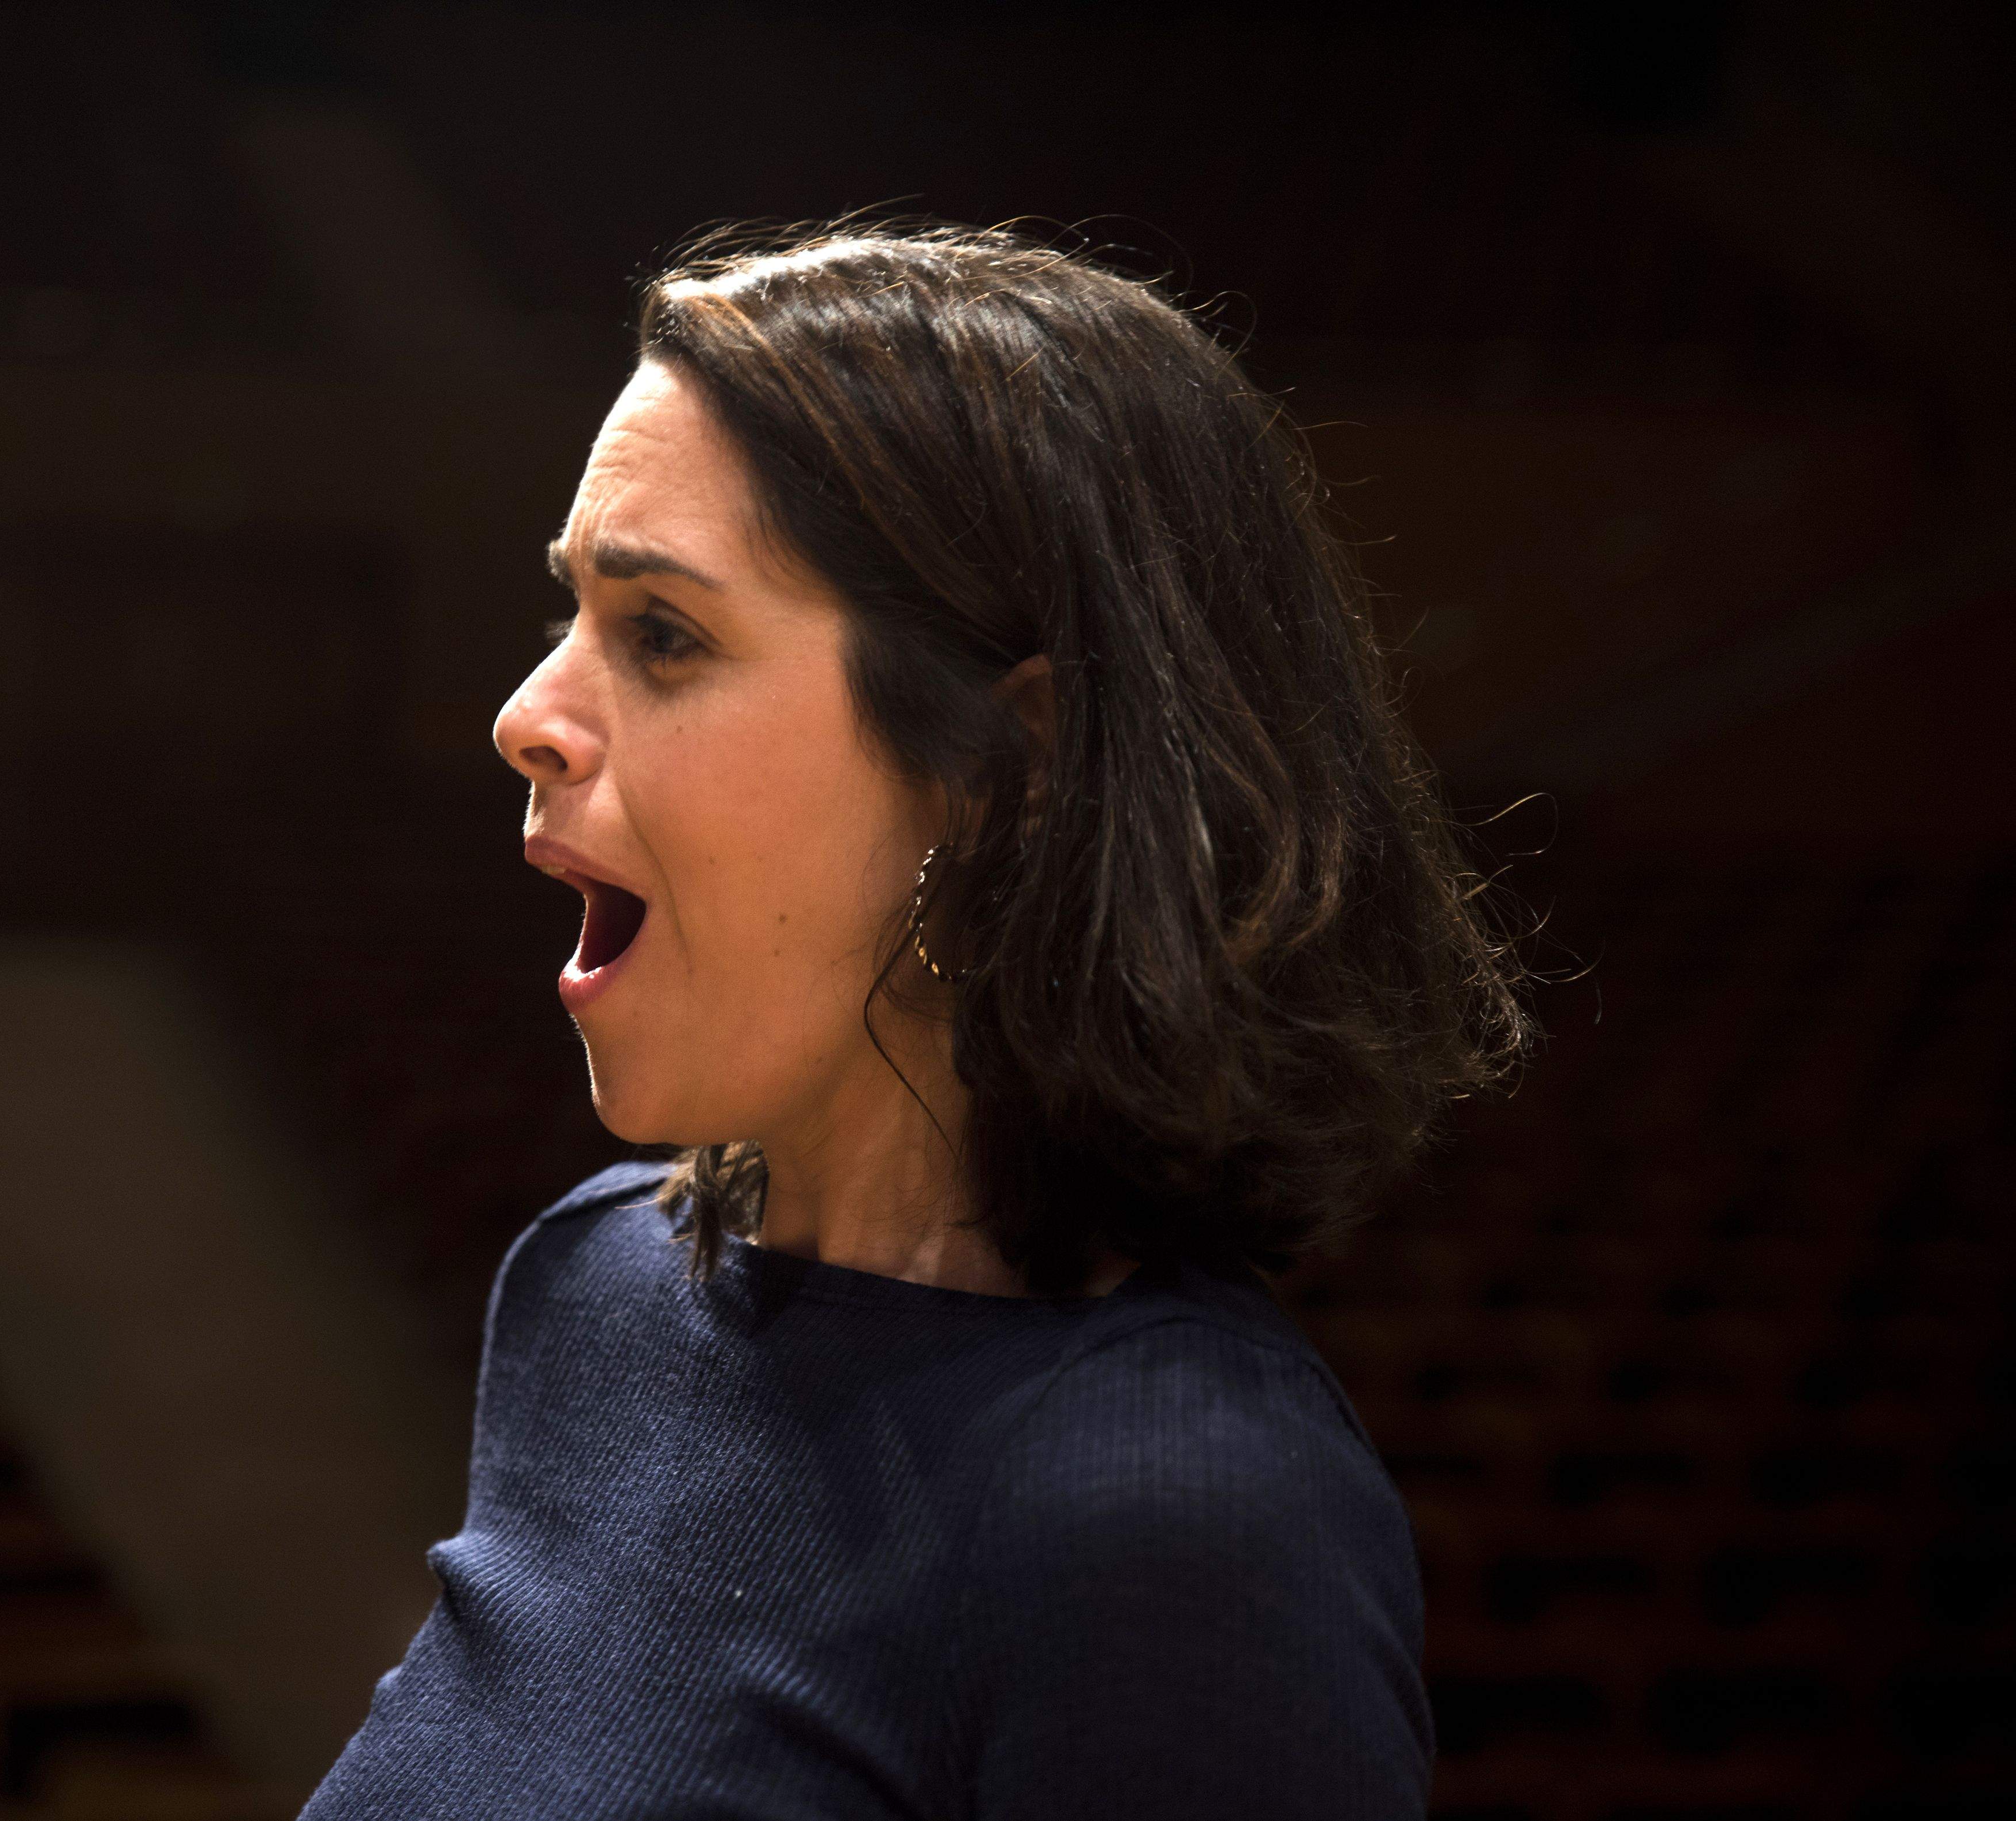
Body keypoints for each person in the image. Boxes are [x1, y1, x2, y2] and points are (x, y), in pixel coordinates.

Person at [300, 222, 1526, 1819]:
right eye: (570, 616)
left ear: (1009, 770)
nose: (524, 716)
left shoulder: (1181, 1521)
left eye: (662, 632)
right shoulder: (591, 1285)